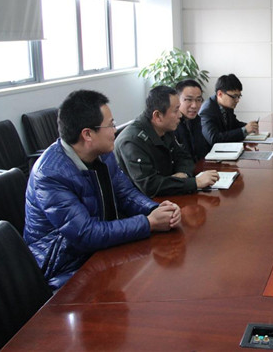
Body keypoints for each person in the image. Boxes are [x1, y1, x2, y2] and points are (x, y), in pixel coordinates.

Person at [24, 90, 182, 290]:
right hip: (64, 265)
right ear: (87, 134)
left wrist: (157, 210)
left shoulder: (102, 153)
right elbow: (85, 234)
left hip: (101, 250)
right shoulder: (50, 174)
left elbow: (126, 194)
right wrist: (148, 222)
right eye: (110, 125)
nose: (115, 130)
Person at [115, 85, 219, 197]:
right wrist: (195, 182)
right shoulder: (132, 141)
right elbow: (149, 186)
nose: (180, 115)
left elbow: (184, 157)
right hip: (145, 202)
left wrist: (183, 174)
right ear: (157, 116)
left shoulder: (165, 127)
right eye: (176, 111)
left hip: (169, 195)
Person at [199, 73, 259, 144]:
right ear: (220, 94)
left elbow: (234, 124)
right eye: (234, 97)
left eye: (239, 96)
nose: (237, 100)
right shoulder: (207, 111)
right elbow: (214, 138)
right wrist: (245, 130)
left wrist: (250, 126)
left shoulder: (227, 106)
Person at [174, 79, 210, 162]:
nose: (194, 105)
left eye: (198, 100)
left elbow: (202, 152)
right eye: (189, 100)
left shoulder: (197, 120)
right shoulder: (172, 125)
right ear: (177, 100)